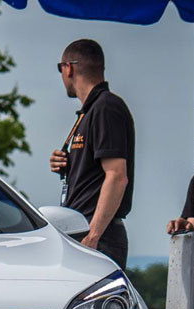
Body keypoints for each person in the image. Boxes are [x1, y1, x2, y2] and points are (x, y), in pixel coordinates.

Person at [48, 39, 134, 269]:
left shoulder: (105, 107)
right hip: (85, 232)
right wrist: (67, 164)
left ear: (69, 68)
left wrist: (93, 236)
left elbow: (116, 176)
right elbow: (96, 172)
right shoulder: (90, 112)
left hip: (98, 236)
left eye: (60, 69)